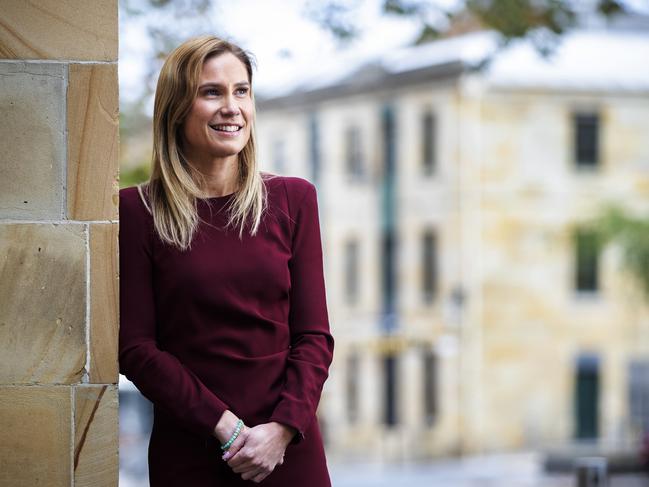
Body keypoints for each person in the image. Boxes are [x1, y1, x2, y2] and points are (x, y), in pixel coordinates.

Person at [119, 35, 334, 486]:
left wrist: (281, 429)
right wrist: (225, 428)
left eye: (242, 91)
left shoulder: (293, 200)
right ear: (177, 108)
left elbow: (313, 336)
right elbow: (136, 348)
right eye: (211, 92)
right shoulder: (136, 212)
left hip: (287, 450)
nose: (231, 107)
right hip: (192, 450)